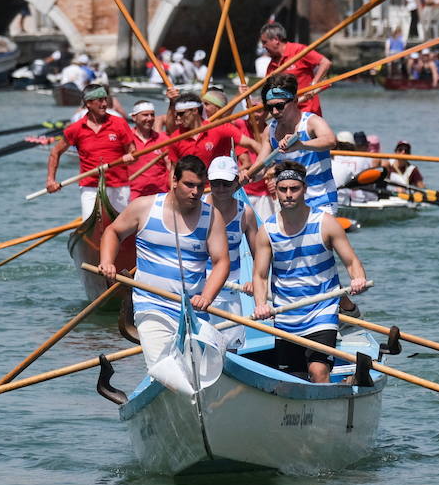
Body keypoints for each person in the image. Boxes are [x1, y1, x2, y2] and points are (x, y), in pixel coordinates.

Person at [99, 155, 229, 368]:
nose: (196, 192)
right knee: (164, 367)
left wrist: (207, 297)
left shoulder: (212, 217)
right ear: (174, 181)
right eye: (189, 185)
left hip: (193, 311)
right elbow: (113, 231)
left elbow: (222, 262)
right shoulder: (144, 207)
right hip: (151, 305)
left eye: (200, 186)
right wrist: (107, 261)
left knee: (198, 370)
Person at [251, 162, 368, 382]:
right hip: (286, 314)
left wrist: (358, 278)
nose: (288, 195)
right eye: (283, 189)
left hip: (321, 311)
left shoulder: (325, 224)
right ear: (275, 191)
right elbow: (259, 275)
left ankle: (326, 410)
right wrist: (260, 304)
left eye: (294, 189)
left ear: (304, 189)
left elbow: (352, 261)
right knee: (294, 377)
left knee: (318, 370)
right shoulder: (267, 231)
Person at [253, 73, 338, 214]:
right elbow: (260, 168)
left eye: (279, 106)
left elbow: (330, 140)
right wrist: (246, 175)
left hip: (321, 200)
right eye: (270, 107)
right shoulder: (270, 132)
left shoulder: (311, 122)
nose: (274, 112)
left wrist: (301, 144)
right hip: (288, 203)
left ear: (295, 100)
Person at [46, 84, 135, 218]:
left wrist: (131, 156)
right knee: (91, 224)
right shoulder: (75, 129)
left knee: (123, 229)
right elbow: (55, 152)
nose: (105, 104)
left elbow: (133, 152)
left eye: (105, 99)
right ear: (88, 103)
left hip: (119, 185)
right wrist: (51, 180)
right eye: (100, 100)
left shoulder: (119, 123)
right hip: (91, 187)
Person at [205, 155, 259, 337]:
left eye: (226, 183)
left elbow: (258, 255)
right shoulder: (198, 207)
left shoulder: (246, 213)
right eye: (215, 183)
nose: (220, 189)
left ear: (236, 182)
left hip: (231, 290)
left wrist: (254, 281)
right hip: (199, 289)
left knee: (230, 349)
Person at [260, 22, 330, 116]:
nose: (263, 46)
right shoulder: (272, 65)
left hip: (308, 110)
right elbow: (268, 91)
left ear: (276, 40)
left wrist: (313, 85)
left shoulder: (299, 50)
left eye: (265, 42)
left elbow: (325, 63)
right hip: (285, 114)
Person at [127, 100, 169, 199]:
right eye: (145, 115)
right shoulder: (126, 139)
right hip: (133, 195)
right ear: (134, 117)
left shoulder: (163, 139)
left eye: (152, 115)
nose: (150, 118)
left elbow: (170, 167)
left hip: (160, 195)